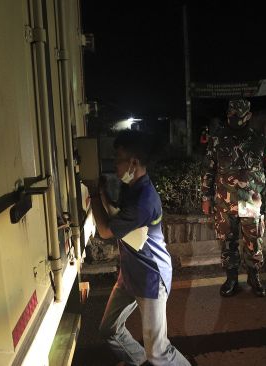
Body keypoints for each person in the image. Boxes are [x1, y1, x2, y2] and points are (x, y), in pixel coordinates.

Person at [86, 130, 191, 366]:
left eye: (117, 160)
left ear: (133, 162)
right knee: (108, 331)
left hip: (150, 278)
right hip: (130, 274)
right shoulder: (132, 187)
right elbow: (115, 215)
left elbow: (105, 231)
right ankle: (140, 361)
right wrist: (102, 193)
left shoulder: (144, 199)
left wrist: (94, 192)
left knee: (159, 353)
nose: (114, 166)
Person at [201, 99, 266, 297]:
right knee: (228, 242)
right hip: (225, 201)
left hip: (251, 201)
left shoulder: (260, 139)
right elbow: (208, 170)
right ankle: (231, 279)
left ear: (249, 116)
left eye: (239, 115)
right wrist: (206, 197)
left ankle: (254, 277)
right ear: (228, 115)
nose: (235, 119)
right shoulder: (217, 139)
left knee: (254, 241)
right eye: (232, 115)